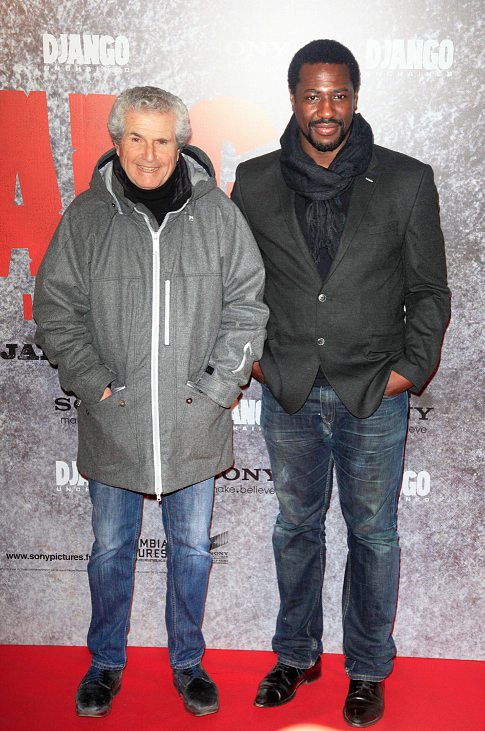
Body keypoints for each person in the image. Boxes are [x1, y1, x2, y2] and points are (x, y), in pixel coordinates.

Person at [232, 40, 450, 727]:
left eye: (338, 95)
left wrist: (408, 371)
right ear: (292, 97)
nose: (325, 110)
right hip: (288, 389)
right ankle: (296, 653)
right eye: (311, 95)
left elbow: (428, 290)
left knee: (372, 535)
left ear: (355, 97)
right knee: (295, 527)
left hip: (372, 394)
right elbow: (235, 290)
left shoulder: (406, 179)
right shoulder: (255, 180)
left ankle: (365, 667)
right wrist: (255, 362)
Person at [34, 86, 268, 718]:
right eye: (135, 138)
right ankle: (105, 663)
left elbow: (248, 306)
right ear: (116, 141)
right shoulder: (86, 217)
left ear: (181, 144)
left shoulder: (217, 216)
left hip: (196, 425)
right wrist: (97, 384)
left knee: (191, 551)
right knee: (110, 550)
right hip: (116, 424)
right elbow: (56, 314)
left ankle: (188, 663)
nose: (149, 153)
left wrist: (218, 389)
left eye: (163, 139)